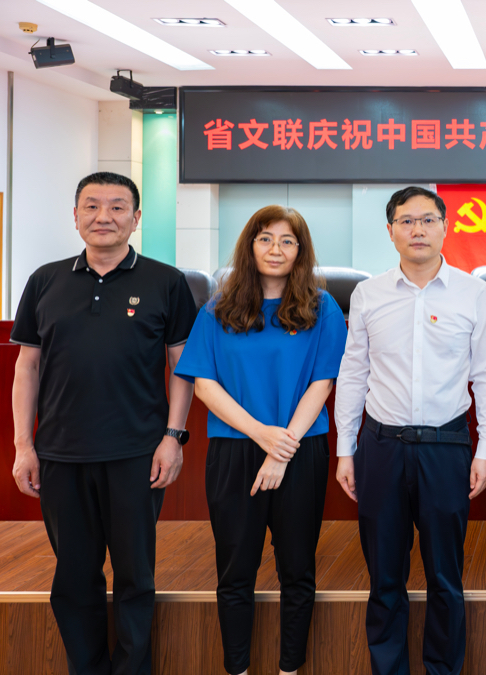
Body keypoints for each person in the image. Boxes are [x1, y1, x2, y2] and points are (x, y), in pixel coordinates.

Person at [10, 172, 197, 675]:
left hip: (136, 454)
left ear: (136, 219)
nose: (103, 217)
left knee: (136, 577)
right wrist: (24, 446)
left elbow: (181, 366)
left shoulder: (166, 282)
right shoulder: (45, 280)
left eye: (117, 207)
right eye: (91, 206)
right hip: (60, 453)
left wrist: (173, 437)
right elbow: (27, 367)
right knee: (74, 578)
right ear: (75, 217)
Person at [334, 186, 486, 675]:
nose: (418, 230)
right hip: (381, 447)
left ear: (446, 227)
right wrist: (346, 448)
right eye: (406, 221)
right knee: (384, 579)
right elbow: (354, 373)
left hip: (446, 447)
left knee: (445, 579)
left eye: (428, 220)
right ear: (390, 231)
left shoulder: (472, 292)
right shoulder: (368, 294)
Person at [174, 205, 346, 675]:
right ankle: (238, 668)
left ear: (301, 251)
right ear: (249, 246)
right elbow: (204, 385)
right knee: (235, 571)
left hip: (300, 449)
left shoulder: (323, 308)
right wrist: (262, 435)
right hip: (235, 449)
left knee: (297, 569)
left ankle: (290, 668)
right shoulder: (217, 309)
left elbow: (322, 383)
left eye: (288, 241)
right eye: (265, 238)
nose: (276, 249)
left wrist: (281, 449)